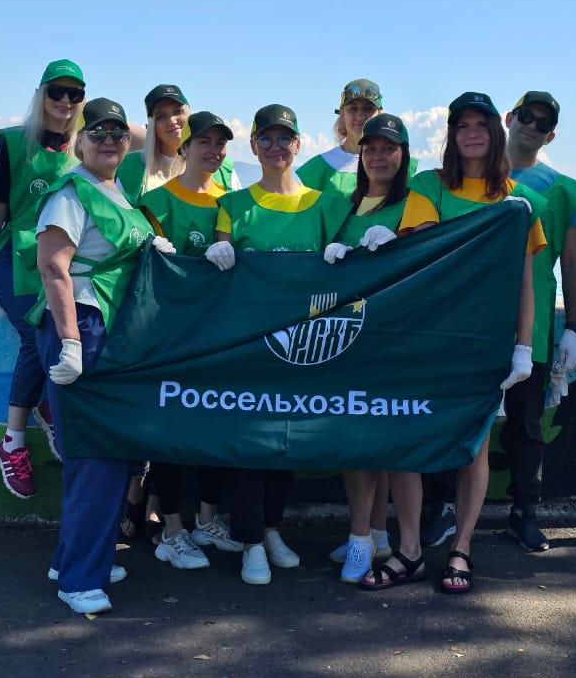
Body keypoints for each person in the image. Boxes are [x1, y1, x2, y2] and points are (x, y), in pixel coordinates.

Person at [362, 92, 547, 594]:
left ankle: (461, 547)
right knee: (407, 437)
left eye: (480, 125)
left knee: (474, 445)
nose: (471, 134)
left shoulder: (518, 202)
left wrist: (523, 346)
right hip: (425, 334)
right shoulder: (429, 184)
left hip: (482, 341)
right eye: (461, 125)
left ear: (495, 133)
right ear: (451, 134)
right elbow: (426, 249)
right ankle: (409, 550)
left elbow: (524, 282)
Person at [33, 97, 176, 615]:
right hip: (83, 326)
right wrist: (71, 341)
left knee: (104, 455)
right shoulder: (71, 193)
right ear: (79, 141)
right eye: (98, 132)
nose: (110, 140)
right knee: (97, 456)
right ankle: (80, 579)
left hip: (109, 329)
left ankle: (70, 558)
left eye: (118, 133)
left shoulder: (114, 191)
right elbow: (54, 267)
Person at [207, 103, 344, 585]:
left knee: (286, 440)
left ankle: (270, 529)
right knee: (250, 443)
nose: (275, 146)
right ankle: (249, 542)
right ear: (253, 145)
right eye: (265, 138)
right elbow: (221, 271)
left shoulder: (327, 205)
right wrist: (217, 252)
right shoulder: (233, 205)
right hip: (248, 345)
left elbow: (345, 271)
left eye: (285, 138)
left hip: (301, 345)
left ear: (298, 144)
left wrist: (343, 252)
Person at [0, 59, 85, 499]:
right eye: (57, 91)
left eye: (75, 94)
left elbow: (143, 136)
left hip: (60, 256)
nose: (65, 101)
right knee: (35, 329)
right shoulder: (14, 143)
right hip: (15, 253)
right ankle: (13, 441)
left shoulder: (88, 144)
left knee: (71, 327)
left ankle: (47, 405)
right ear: (41, 94)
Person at [137, 111, 244, 569]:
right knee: (172, 431)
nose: (214, 150)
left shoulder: (231, 202)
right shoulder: (157, 202)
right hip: (171, 336)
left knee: (215, 424)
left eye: (221, 143)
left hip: (217, 335)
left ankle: (207, 520)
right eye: (205, 142)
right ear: (185, 148)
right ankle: (171, 530)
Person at [321, 113, 413, 583]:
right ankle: (373, 533)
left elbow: (425, 258)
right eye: (370, 148)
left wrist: (399, 243)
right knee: (353, 438)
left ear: (403, 154)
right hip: (345, 337)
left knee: (373, 440)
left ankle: (362, 535)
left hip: (391, 338)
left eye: (388, 148)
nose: (378, 156)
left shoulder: (414, 203)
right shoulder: (343, 205)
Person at [499, 91, 576, 553]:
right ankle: (438, 510)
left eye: (542, 123)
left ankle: (525, 512)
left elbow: (571, 262)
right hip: (471, 319)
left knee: (526, 425)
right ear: (509, 118)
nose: (531, 126)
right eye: (525, 116)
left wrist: (573, 327)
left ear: (550, 135)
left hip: (530, 326)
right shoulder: (470, 174)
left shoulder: (561, 189)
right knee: (457, 415)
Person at [117, 84, 238, 200]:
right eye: (161, 116)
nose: (172, 120)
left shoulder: (221, 166)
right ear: (152, 125)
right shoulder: (130, 167)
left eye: (178, 111)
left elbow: (240, 210)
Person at [297, 79, 417, 196]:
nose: (360, 116)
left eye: (368, 108)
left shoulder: (400, 164)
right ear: (342, 114)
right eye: (353, 108)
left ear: (379, 113)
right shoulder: (318, 169)